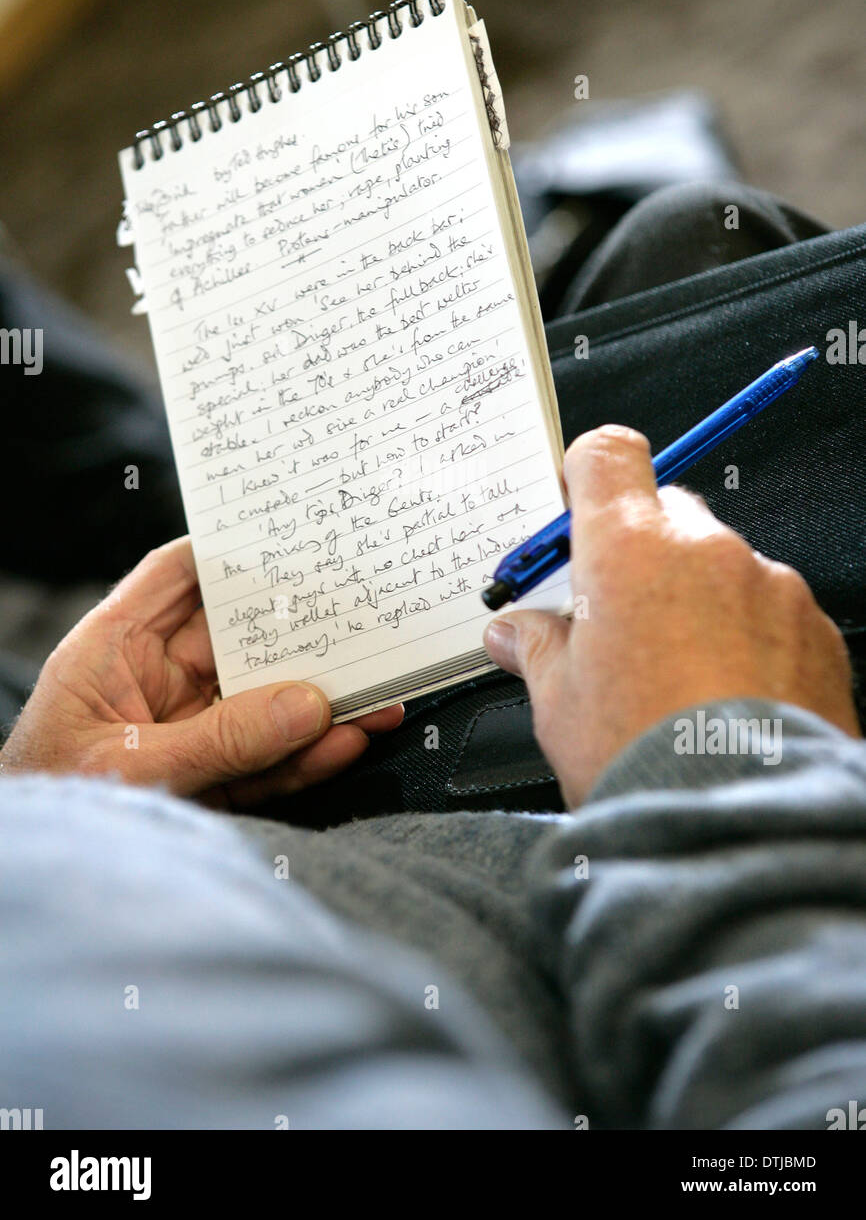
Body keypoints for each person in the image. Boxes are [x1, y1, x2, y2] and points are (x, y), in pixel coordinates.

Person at [2, 182, 865, 1130]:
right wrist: (731, 765)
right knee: (723, 258)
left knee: (689, 230)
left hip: (254, 822)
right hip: (619, 863)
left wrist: (52, 791)